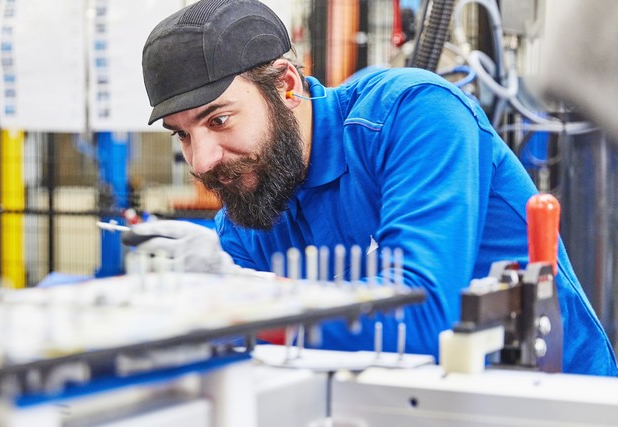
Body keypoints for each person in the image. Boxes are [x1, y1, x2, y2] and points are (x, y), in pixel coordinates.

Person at [138, 0, 618, 376]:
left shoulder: (413, 115)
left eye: (218, 120)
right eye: (183, 134)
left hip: (551, 399)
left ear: (286, 87)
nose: (202, 161)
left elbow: (425, 318)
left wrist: (238, 295)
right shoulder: (252, 202)